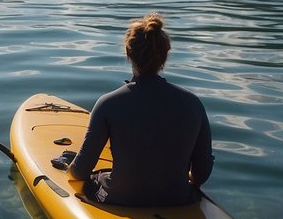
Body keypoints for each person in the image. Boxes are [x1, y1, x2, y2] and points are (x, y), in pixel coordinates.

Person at [66, 12, 213, 206]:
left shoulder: (108, 103)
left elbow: (81, 171)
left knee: (94, 180)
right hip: (179, 199)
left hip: (119, 198)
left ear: (128, 54)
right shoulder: (193, 104)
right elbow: (201, 175)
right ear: (165, 55)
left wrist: (68, 166)